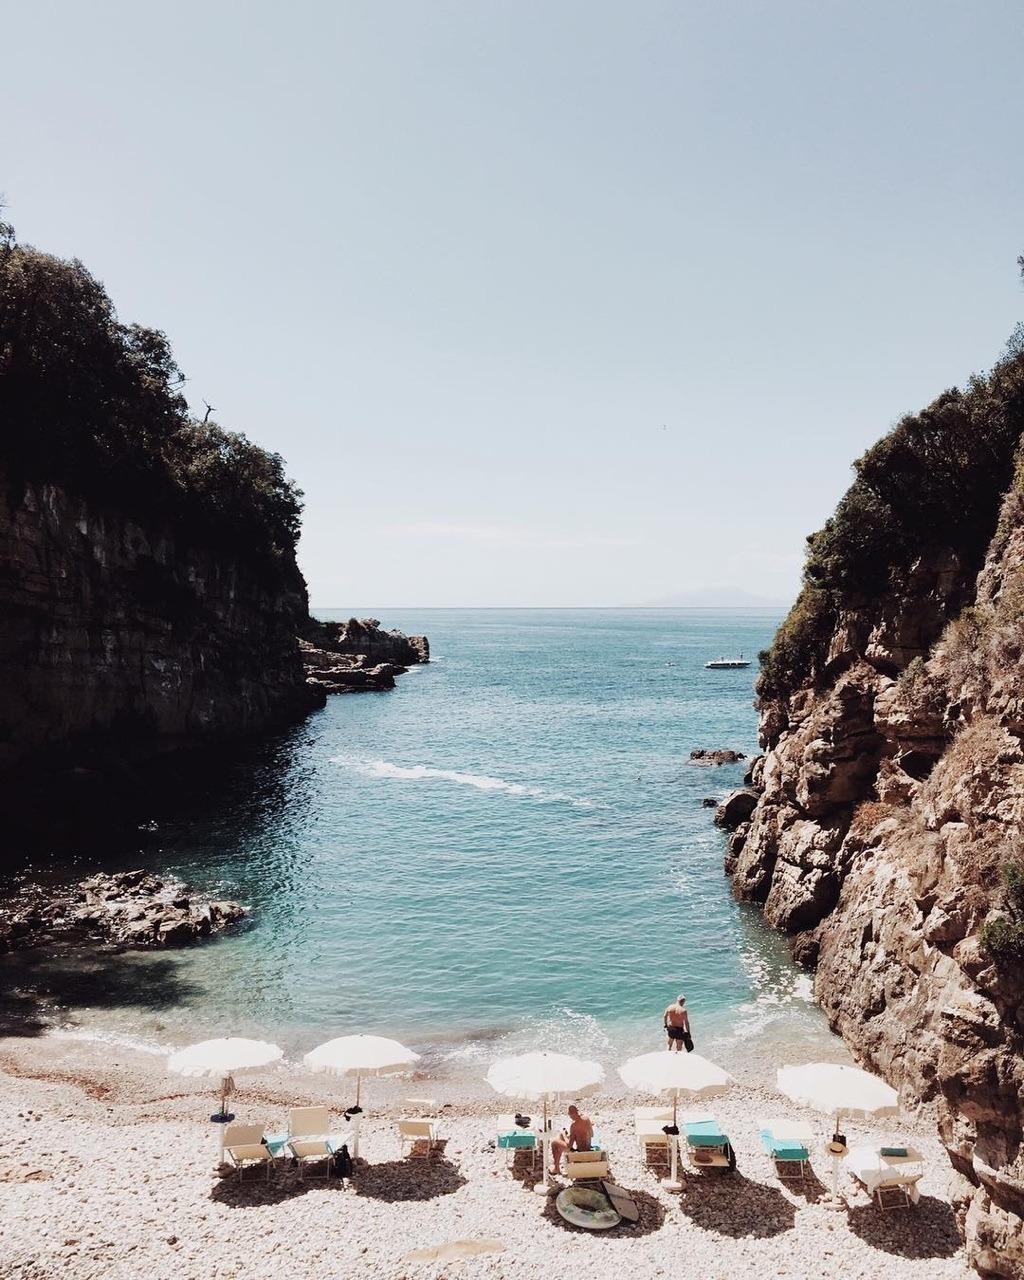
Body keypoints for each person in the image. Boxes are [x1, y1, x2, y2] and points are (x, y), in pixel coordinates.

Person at [549, 1103, 593, 1175]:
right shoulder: (587, 1119)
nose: (570, 1117)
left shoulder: (574, 1126)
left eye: (569, 1115)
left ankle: (556, 1168)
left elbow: (569, 1146)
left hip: (579, 1151)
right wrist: (575, 1136)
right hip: (588, 1147)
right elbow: (591, 1134)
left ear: (572, 1114)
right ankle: (560, 1162)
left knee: (554, 1143)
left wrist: (564, 1134)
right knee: (561, 1136)